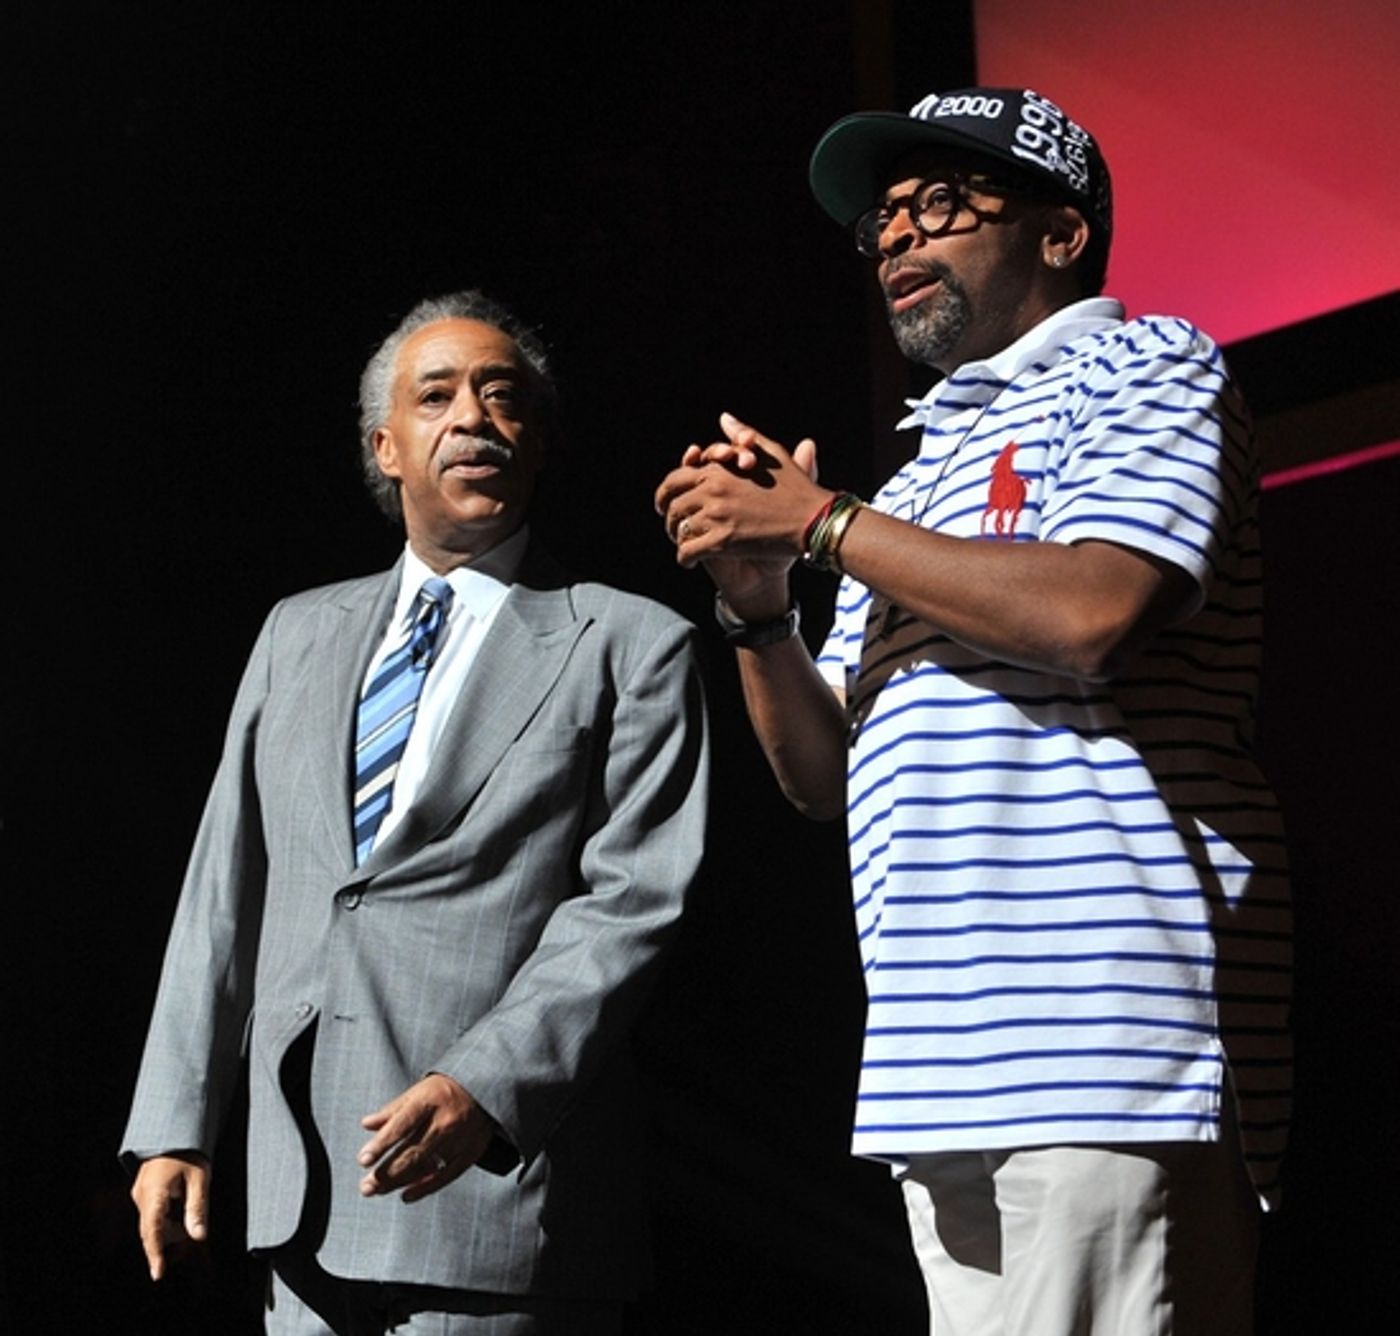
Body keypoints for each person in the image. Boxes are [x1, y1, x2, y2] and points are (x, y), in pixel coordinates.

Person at [655, 88, 1290, 1334]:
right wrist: (761, 607)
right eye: (881, 220)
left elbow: (1094, 608)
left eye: (938, 203)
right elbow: (818, 776)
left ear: (1059, 234)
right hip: (940, 1061)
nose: (896, 237)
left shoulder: (1146, 361)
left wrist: (825, 526)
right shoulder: (918, 471)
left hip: (1104, 1040)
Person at [122, 290, 709, 1334]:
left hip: (497, 1199)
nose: (473, 417)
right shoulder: (295, 634)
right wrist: (175, 1121)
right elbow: (226, 887)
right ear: (386, 447)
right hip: (298, 1198)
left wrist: (487, 1080)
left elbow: (634, 904)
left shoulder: (628, 642)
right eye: (436, 396)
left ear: (539, 439)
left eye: (502, 396)